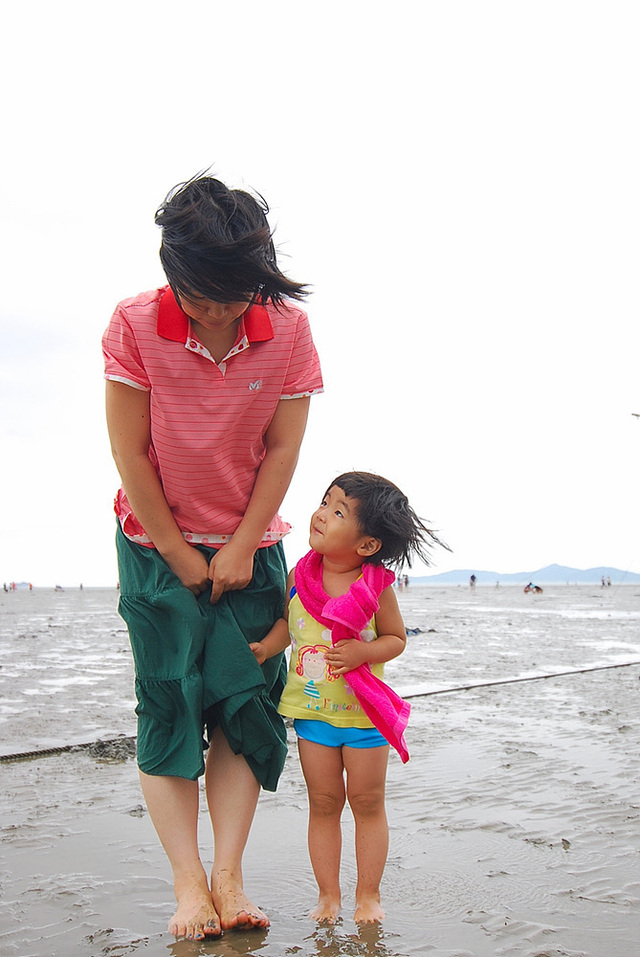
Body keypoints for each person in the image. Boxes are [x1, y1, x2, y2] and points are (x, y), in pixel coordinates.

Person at [103, 174, 323, 941]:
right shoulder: (134, 323)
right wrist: (177, 550)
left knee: (243, 704)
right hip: (154, 546)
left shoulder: (289, 331)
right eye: (197, 296)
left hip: (252, 545)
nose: (214, 312)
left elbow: (284, 449)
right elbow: (130, 450)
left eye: (231, 297)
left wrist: (236, 547)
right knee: (167, 701)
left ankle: (229, 872)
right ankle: (188, 884)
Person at [250, 472, 446, 923]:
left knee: (367, 803)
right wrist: (266, 647)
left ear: (366, 546)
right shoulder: (299, 574)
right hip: (312, 714)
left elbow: (395, 639)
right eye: (325, 502)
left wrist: (363, 651)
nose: (322, 513)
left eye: (338, 511)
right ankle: (328, 896)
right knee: (323, 804)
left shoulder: (375, 587)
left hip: (364, 718)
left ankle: (368, 897)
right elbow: (289, 626)